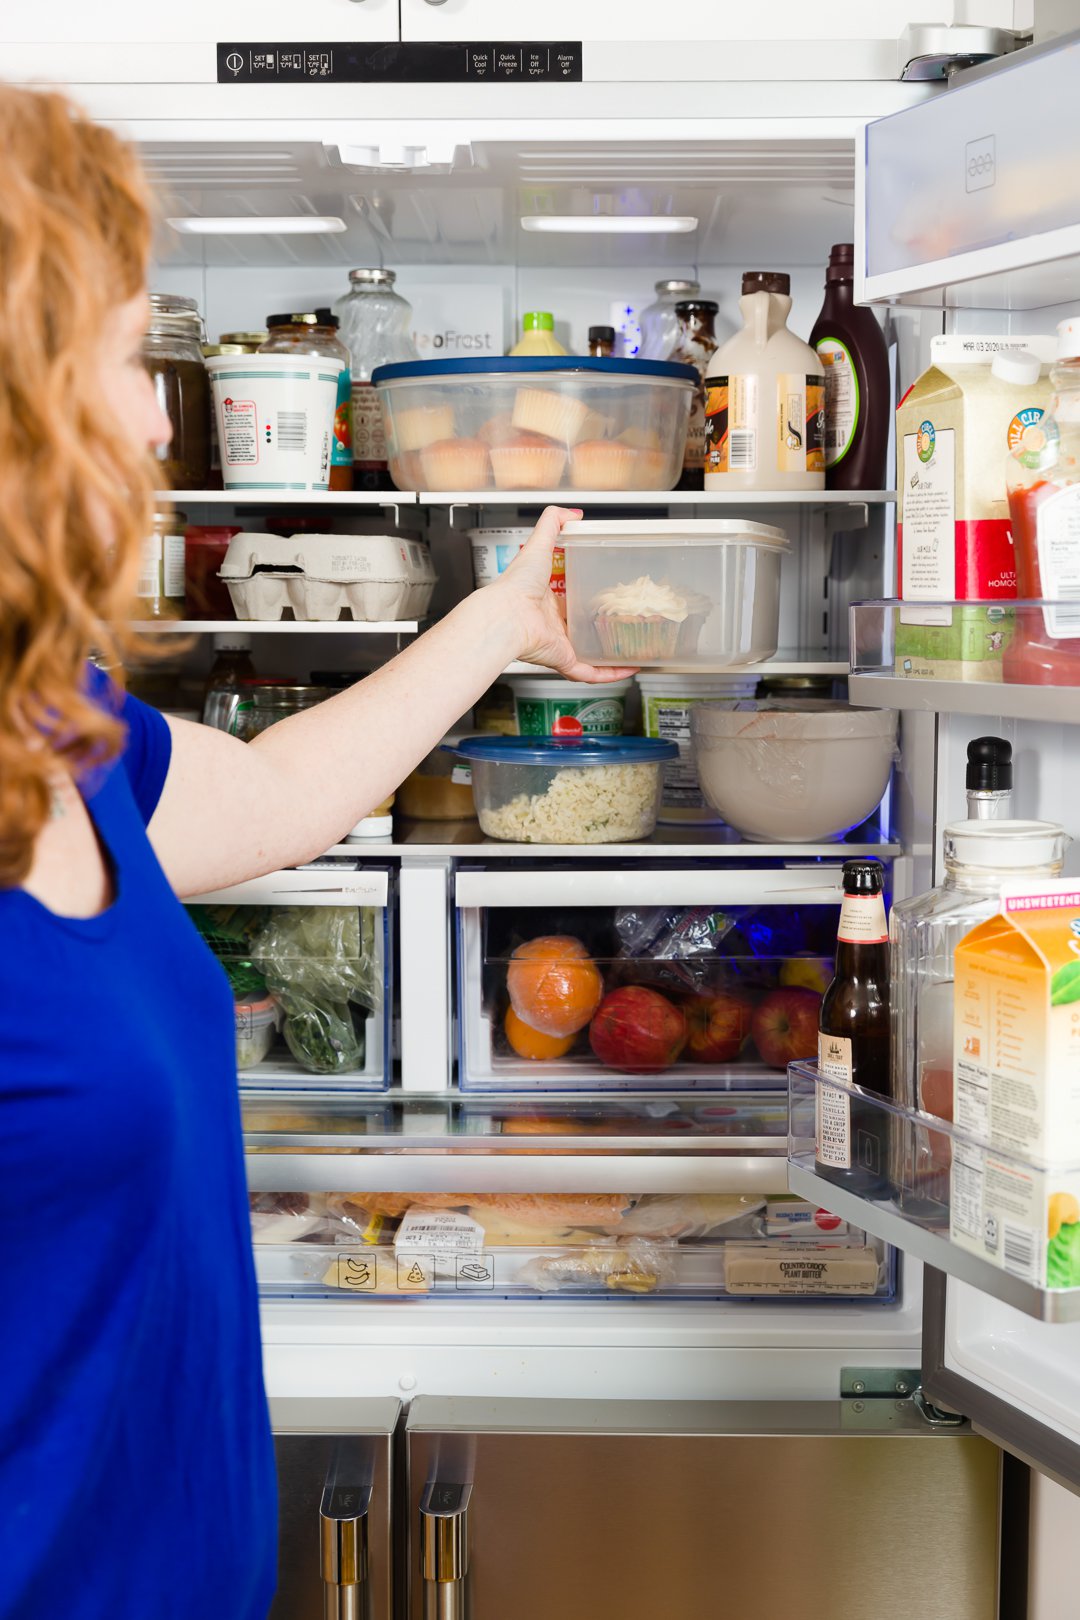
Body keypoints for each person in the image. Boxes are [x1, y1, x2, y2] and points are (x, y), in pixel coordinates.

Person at [0, 86, 632, 1619]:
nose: (162, 418)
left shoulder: (57, 727)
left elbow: (280, 792)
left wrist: (499, 623)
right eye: (130, 355)